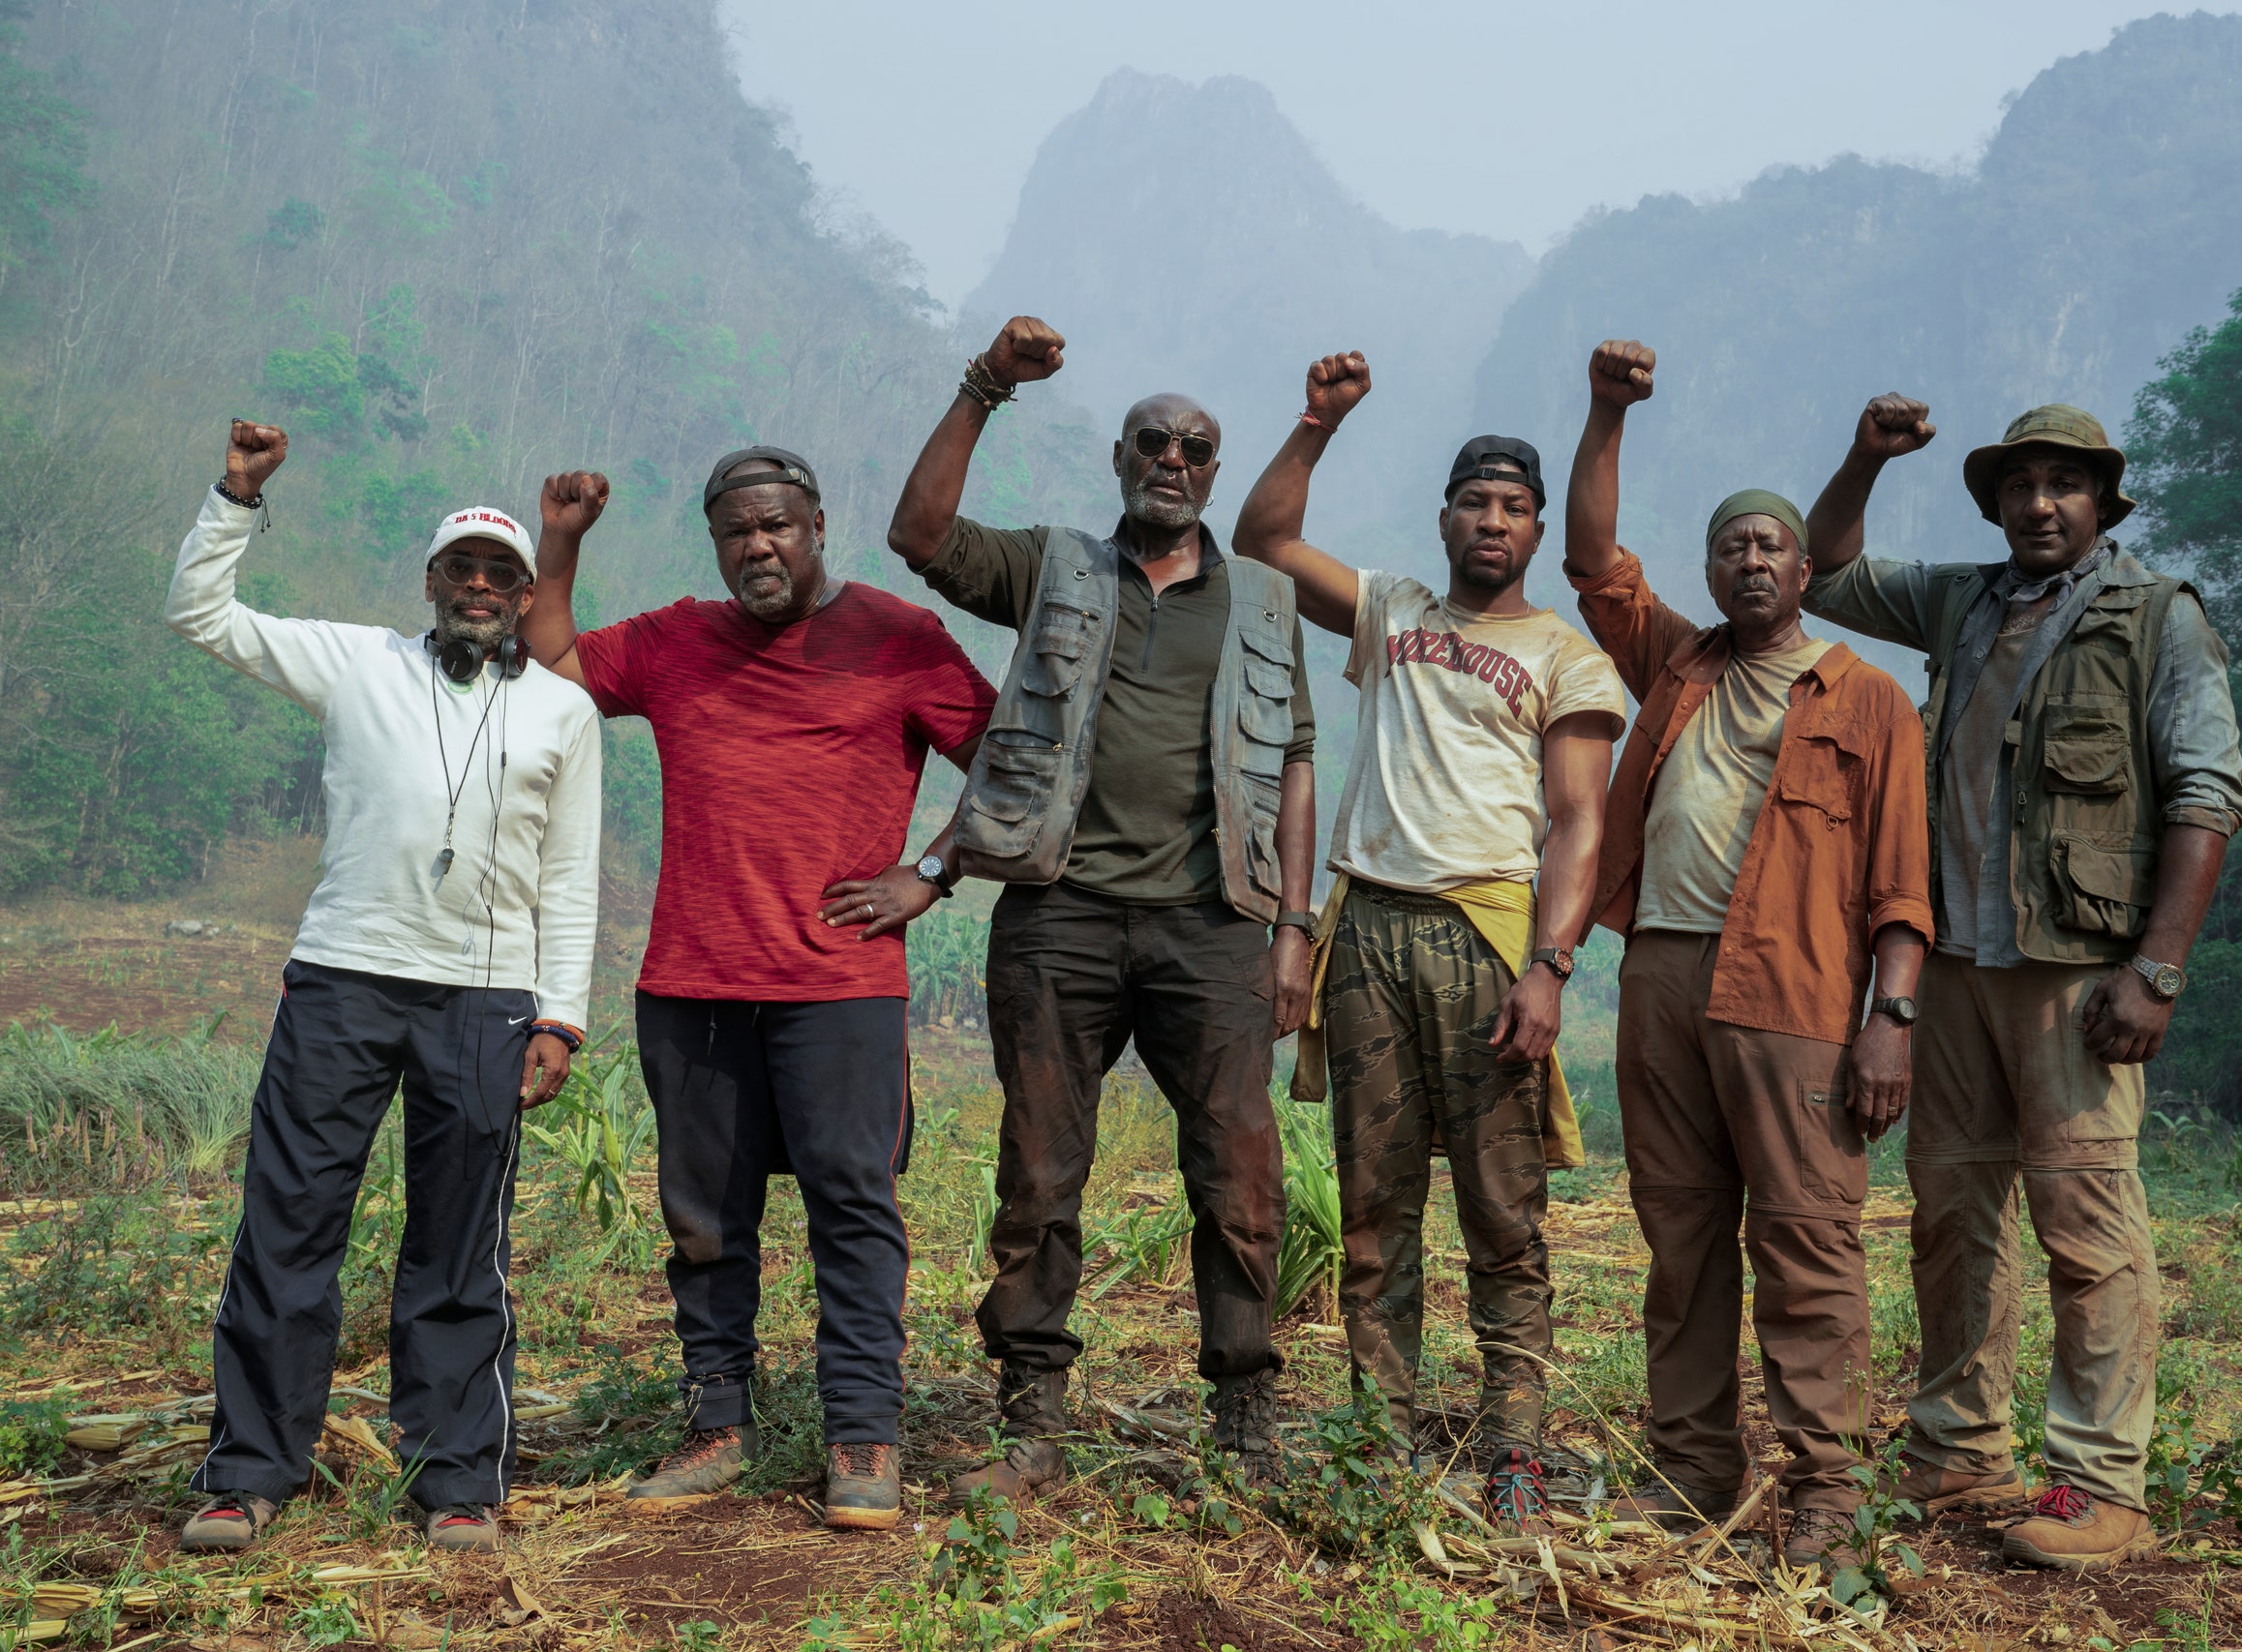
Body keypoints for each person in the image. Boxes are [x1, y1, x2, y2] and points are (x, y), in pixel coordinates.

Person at [1801, 396, 2242, 1573]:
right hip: (1951, 965)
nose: (2037, 504)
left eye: (2061, 484)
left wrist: (2155, 970)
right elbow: (1824, 570)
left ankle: (2100, 1481)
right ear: (1993, 502)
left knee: (2084, 1222)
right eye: (2016, 486)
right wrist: (1865, 456)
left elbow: (2204, 794)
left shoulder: (2157, 616)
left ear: (2102, 500)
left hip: (2074, 973)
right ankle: (1958, 1445)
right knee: (1952, 1217)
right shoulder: (1961, 598)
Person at [518, 448, 995, 1531]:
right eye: (735, 531)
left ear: (819, 524)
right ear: (716, 541)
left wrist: (930, 872)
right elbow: (550, 661)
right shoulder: (678, 639)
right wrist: (563, 539)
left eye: (776, 526)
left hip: (840, 987)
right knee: (705, 1221)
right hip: (692, 983)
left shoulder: (898, 639)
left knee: (852, 1210)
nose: (757, 547)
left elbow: (1014, 756)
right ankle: (717, 1427)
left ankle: (864, 1439)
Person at [886, 316, 1318, 1503]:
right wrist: (985, 389)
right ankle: (1030, 1422)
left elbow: (1293, 770)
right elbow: (919, 535)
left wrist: (1293, 930)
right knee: (1037, 1169)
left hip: (1214, 924)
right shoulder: (1055, 568)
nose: (1170, 460)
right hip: (1059, 915)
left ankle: (1244, 1419)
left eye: (1193, 447)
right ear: (1120, 461)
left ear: (1213, 473)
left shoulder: (1266, 605)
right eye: (1150, 443)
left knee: (1238, 1174)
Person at [167, 421, 601, 1554]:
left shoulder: (564, 710)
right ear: (430, 581)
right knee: (289, 1225)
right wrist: (236, 497)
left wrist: (561, 1014)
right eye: (460, 566)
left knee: (459, 1246)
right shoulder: (361, 662)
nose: (478, 585)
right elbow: (201, 617)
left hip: (486, 999)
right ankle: (249, 1471)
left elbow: (570, 876)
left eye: (500, 573)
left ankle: (455, 1480)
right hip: (343, 982)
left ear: (519, 596)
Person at [1231, 349, 1621, 1534]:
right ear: (1444, 516)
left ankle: (1514, 1449)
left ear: (1538, 527)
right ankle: (1376, 1439)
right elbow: (1262, 540)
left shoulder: (1566, 654)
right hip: (1369, 936)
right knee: (1374, 1208)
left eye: (1512, 507)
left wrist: (1550, 970)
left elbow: (1577, 824)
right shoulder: (1393, 608)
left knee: (1503, 1214)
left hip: (1487, 937)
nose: (1490, 522)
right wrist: (1316, 422)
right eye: (1473, 502)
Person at [1559, 342, 1934, 1568]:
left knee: (1807, 1238)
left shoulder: (1865, 695)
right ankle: (1692, 1475)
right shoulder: (1676, 660)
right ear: (1711, 569)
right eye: (1732, 547)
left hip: (1798, 992)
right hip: (1661, 976)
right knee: (1679, 1234)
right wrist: (1607, 413)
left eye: (1772, 545)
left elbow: (1900, 882)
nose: (1753, 561)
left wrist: (1890, 1019)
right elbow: (1592, 562)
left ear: (1806, 566)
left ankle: (1828, 1493)